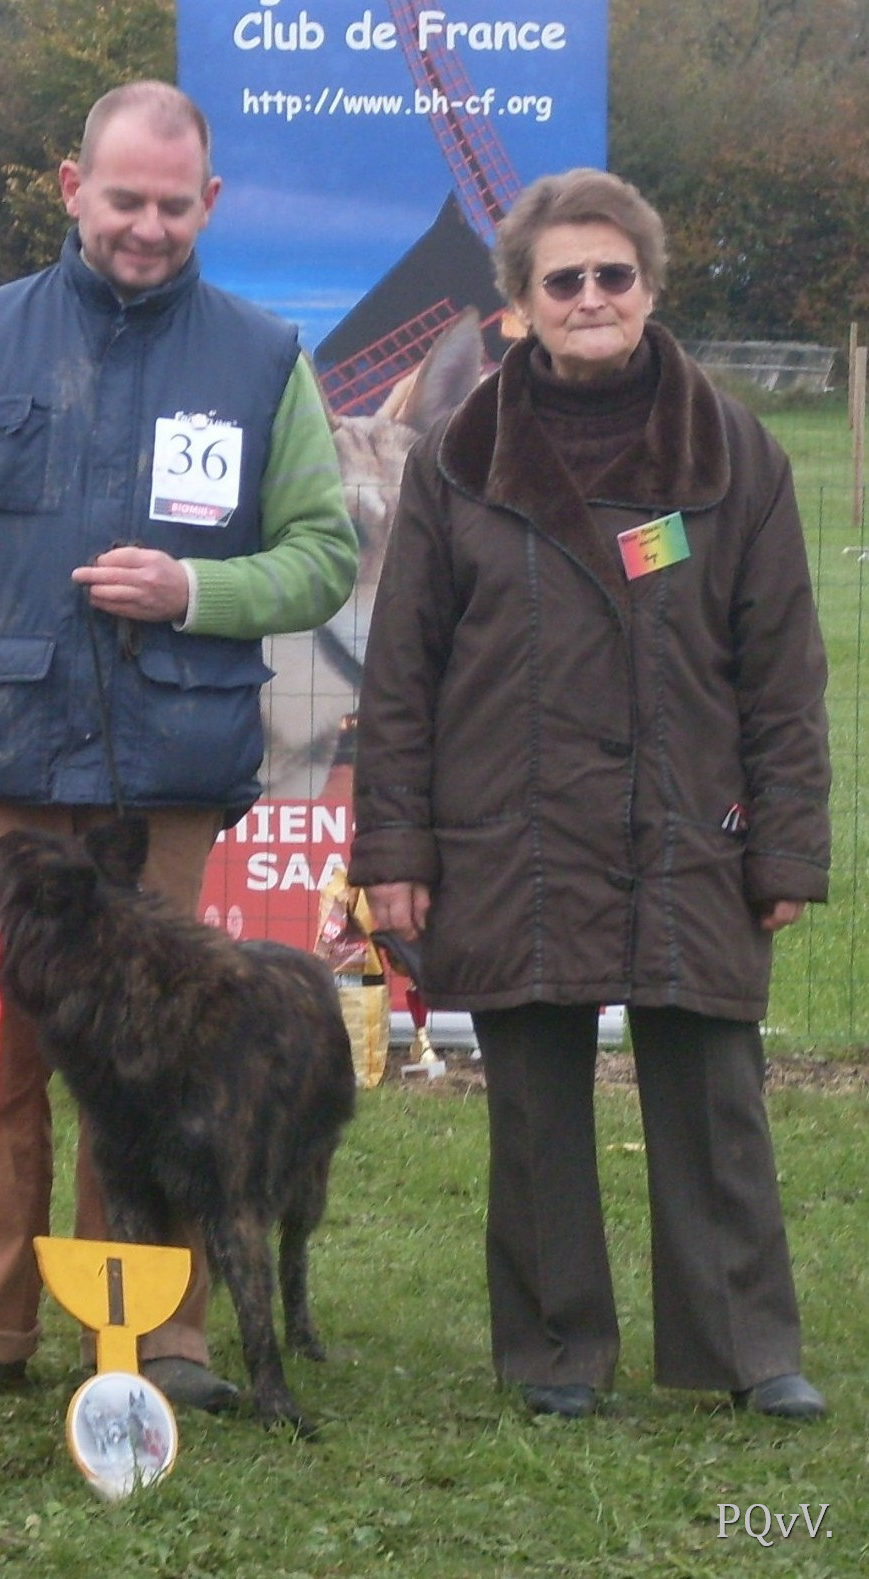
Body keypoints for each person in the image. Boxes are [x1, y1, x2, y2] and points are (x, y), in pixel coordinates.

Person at [0, 80, 358, 1412]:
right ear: (71, 185)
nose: (144, 226)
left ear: (211, 202)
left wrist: (196, 591)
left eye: (169, 203)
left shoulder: (261, 357)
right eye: (120, 198)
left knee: (157, 1066)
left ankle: (159, 1333)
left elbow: (323, 555)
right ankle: (0, 1321)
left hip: (161, 774)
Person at [348, 168, 830, 1422]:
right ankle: (556, 1354)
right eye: (562, 279)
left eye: (613, 274)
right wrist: (393, 845)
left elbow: (782, 665)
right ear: (516, 306)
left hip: (692, 823)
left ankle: (744, 1350)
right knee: (536, 1107)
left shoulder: (735, 449)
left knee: (714, 1091)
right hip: (509, 822)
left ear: (650, 287)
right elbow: (398, 672)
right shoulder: (454, 458)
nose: (591, 296)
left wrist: (784, 845)